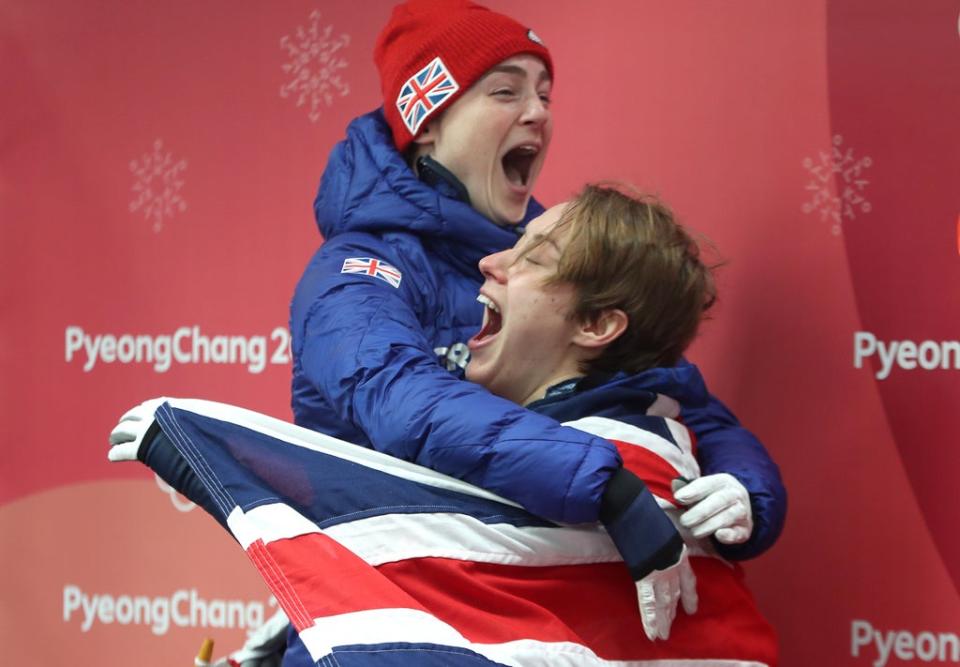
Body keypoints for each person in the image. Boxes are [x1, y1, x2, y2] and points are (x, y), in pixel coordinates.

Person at [460, 182, 777, 663]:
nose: (491, 262)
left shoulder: (632, 459)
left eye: (535, 259)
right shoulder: (633, 430)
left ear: (596, 326)